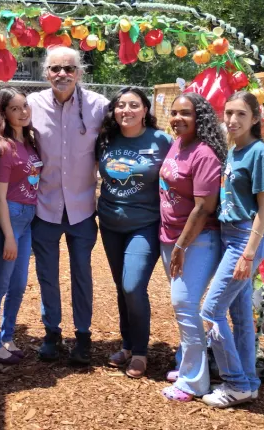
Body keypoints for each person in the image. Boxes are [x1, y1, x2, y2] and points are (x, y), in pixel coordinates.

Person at [27, 46, 108, 364]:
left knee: (82, 273)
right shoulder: (31, 105)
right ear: (46, 72)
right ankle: (51, 333)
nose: (62, 74)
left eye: (69, 68)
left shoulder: (99, 107)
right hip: (44, 207)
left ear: (80, 73)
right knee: (47, 274)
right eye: (55, 68)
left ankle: (83, 336)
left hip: (82, 208)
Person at [200, 91, 264, 408]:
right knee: (240, 316)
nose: (232, 119)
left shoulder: (258, 152)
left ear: (255, 119)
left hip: (246, 237)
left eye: (241, 114)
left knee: (211, 310)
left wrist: (248, 253)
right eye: (228, 112)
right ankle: (250, 382)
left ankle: (235, 383)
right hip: (231, 235)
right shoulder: (234, 151)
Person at [96, 87, 172, 378]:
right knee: (121, 286)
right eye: (121, 105)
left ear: (145, 110)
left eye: (134, 105)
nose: (126, 110)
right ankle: (127, 345)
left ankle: (140, 351)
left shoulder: (161, 141)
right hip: (111, 224)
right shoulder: (105, 140)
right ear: (114, 110)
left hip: (146, 224)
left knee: (132, 286)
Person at [157, 93, 227, 402]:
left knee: (185, 305)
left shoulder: (204, 153)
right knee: (184, 305)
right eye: (174, 112)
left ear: (200, 117)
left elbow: (203, 207)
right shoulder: (179, 144)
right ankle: (187, 365)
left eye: (185, 113)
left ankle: (194, 382)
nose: (177, 118)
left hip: (195, 241)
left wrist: (182, 246)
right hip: (170, 238)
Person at [0, 88, 42, 365]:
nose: (23, 113)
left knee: (18, 285)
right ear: (3, 113)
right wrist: (8, 235)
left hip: (27, 219)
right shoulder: (3, 147)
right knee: (0, 284)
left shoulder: (30, 142)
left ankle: (8, 335)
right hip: (8, 219)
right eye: (16, 109)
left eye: (25, 107)